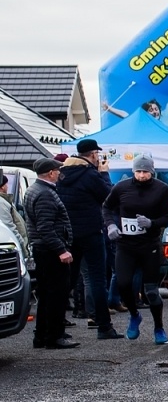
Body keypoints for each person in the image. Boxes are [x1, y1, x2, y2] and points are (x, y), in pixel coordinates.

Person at [104, 154, 168, 345]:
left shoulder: (161, 189)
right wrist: (111, 225)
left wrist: (152, 223)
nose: (142, 175)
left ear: (152, 171)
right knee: (123, 284)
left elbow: (167, 217)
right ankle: (134, 315)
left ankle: (159, 327)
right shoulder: (121, 187)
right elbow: (106, 208)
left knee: (151, 291)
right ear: (133, 171)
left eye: (145, 171)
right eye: (138, 171)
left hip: (149, 245)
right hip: (125, 245)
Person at [56, 137, 116, 339]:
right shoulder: (90, 174)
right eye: (97, 154)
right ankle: (104, 327)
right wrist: (104, 174)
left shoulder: (62, 173)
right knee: (97, 279)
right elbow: (108, 196)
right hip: (91, 231)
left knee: (68, 280)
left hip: (68, 233)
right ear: (92, 154)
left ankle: (56, 328)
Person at [24, 157, 77, 349]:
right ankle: (54, 337)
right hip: (50, 251)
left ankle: (42, 335)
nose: (60, 173)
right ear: (51, 173)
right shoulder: (45, 193)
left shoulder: (35, 189)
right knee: (56, 294)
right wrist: (61, 250)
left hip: (43, 249)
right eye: (57, 170)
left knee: (46, 294)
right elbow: (45, 227)